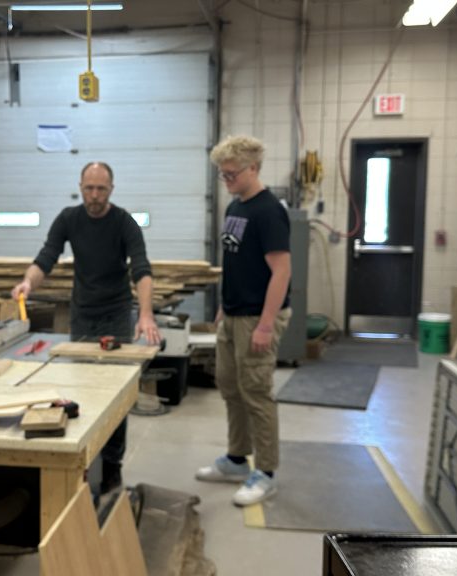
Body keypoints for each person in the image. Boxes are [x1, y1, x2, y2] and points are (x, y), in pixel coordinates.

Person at [12, 161, 161, 493]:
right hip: (82, 313)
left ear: (111, 189)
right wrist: (28, 283)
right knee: (81, 388)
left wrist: (146, 314)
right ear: (80, 187)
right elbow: (46, 257)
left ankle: (112, 466)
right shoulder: (69, 219)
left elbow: (141, 268)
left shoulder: (124, 223)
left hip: (116, 314)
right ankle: (84, 455)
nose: (94, 195)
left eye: (101, 189)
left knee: (115, 393)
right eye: (89, 188)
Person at [195, 135, 292, 507]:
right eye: (223, 174)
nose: (227, 180)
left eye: (232, 174)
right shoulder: (235, 207)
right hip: (234, 313)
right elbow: (236, 262)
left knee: (257, 393)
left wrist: (266, 324)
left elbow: (281, 272)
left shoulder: (269, 212)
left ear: (253, 168)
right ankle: (237, 459)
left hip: (257, 316)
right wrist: (224, 305)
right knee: (230, 387)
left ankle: (266, 473)